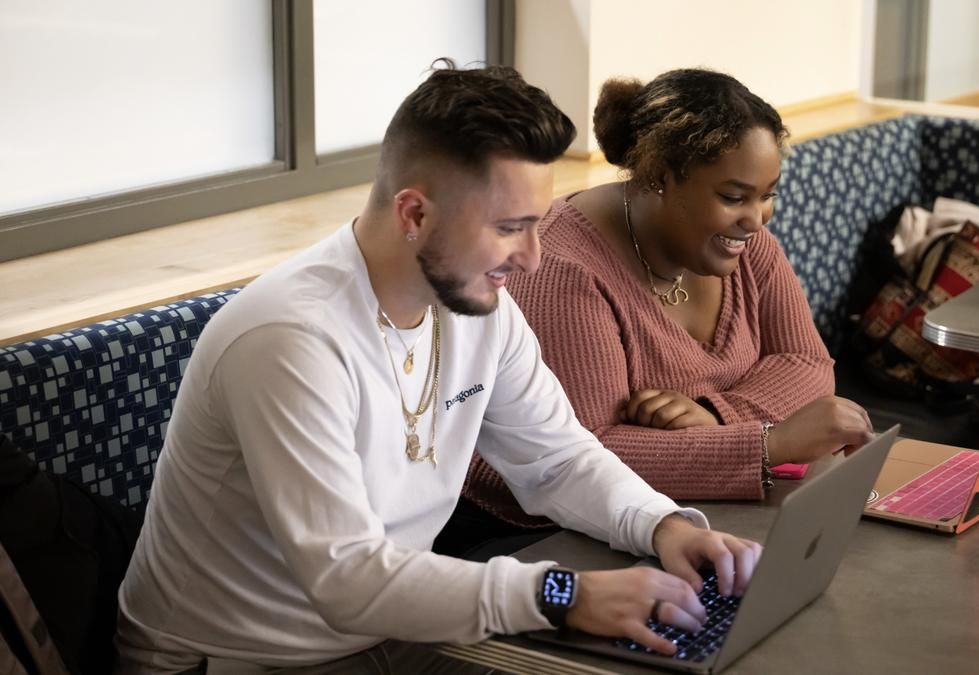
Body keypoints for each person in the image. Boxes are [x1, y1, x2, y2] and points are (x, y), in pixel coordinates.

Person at [115, 63, 762, 674]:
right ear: (415, 214)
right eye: (509, 227)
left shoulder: (479, 304)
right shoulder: (291, 337)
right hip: (236, 657)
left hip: (387, 628)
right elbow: (347, 576)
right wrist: (562, 591)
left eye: (537, 225)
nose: (532, 258)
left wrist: (661, 522)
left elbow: (557, 459)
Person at [449, 69, 874, 543]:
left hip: (682, 509)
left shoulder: (745, 244)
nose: (755, 219)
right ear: (658, 177)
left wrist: (716, 416)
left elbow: (808, 365)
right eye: (733, 196)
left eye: (767, 195)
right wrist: (769, 443)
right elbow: (586, 457)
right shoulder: (562, 271)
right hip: (540, 532)